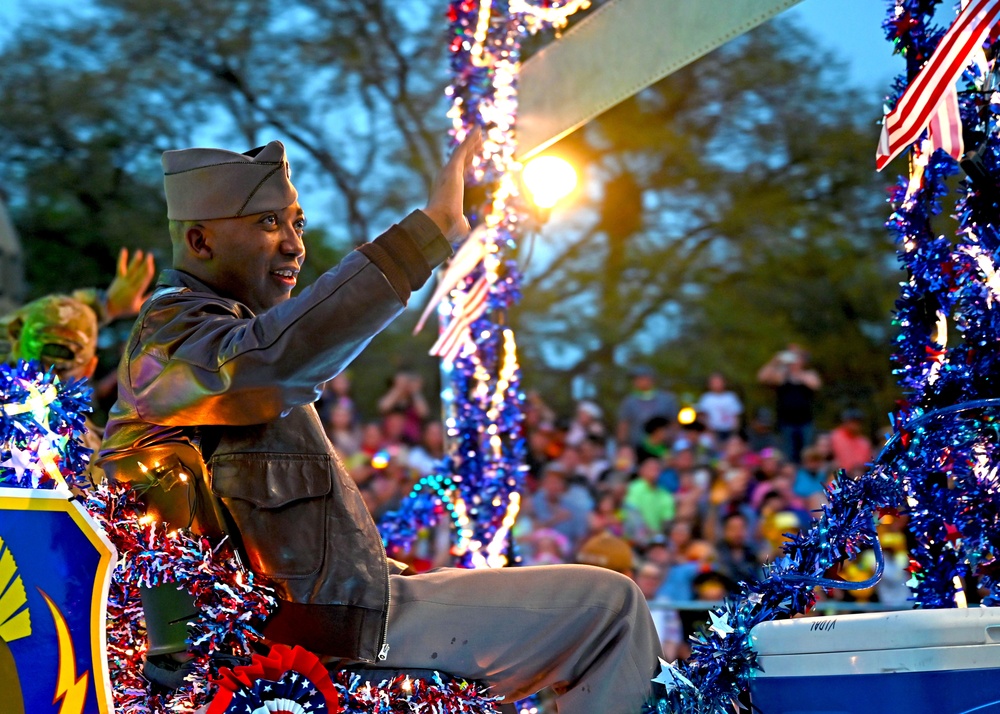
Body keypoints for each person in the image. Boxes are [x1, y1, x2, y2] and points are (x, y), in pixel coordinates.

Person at [95, 135, 658, 712]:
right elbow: (269, 361)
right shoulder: (173, 344)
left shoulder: (212, 342)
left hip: (342, 613)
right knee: (608, 610)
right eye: (269, 223)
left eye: (299, 224)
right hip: (312, 636)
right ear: (199, 241)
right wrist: (429, 232)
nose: (294, 246)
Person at [757, 344, 821, 463]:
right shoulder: (782, 376)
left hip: (805, 422)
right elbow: (762, 377)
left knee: (806, 454)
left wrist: (797, 371)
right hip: (786, 423)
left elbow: (815, 384)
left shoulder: (809, 374)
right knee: (788, 455)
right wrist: (775, 361)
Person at [616, 365, 679, 453]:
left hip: (663, 449)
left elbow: (674, 423)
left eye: (640, 378)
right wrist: (622, 446)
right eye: (635, 379)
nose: (636, 382)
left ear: (651, 379)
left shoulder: (667, 400)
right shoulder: (628, 401)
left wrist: (670, 437)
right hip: (636, 449)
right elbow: (623, 425)